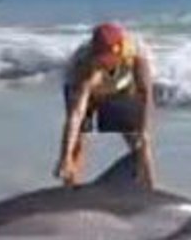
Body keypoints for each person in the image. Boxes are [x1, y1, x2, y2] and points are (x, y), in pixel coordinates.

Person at [54, 22, 156, 188]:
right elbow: (76, 115)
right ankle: (69, 191)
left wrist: (144, 130)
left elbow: (145, 94)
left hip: (121, 87)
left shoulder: (137, 54)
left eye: (104, 58)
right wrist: (64, 156)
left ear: (118, 51)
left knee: (140, 142)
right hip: (84, 89)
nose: (100, 62)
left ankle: (150, 189)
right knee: (76, 145)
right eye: (98, 57)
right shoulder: (83, 62)